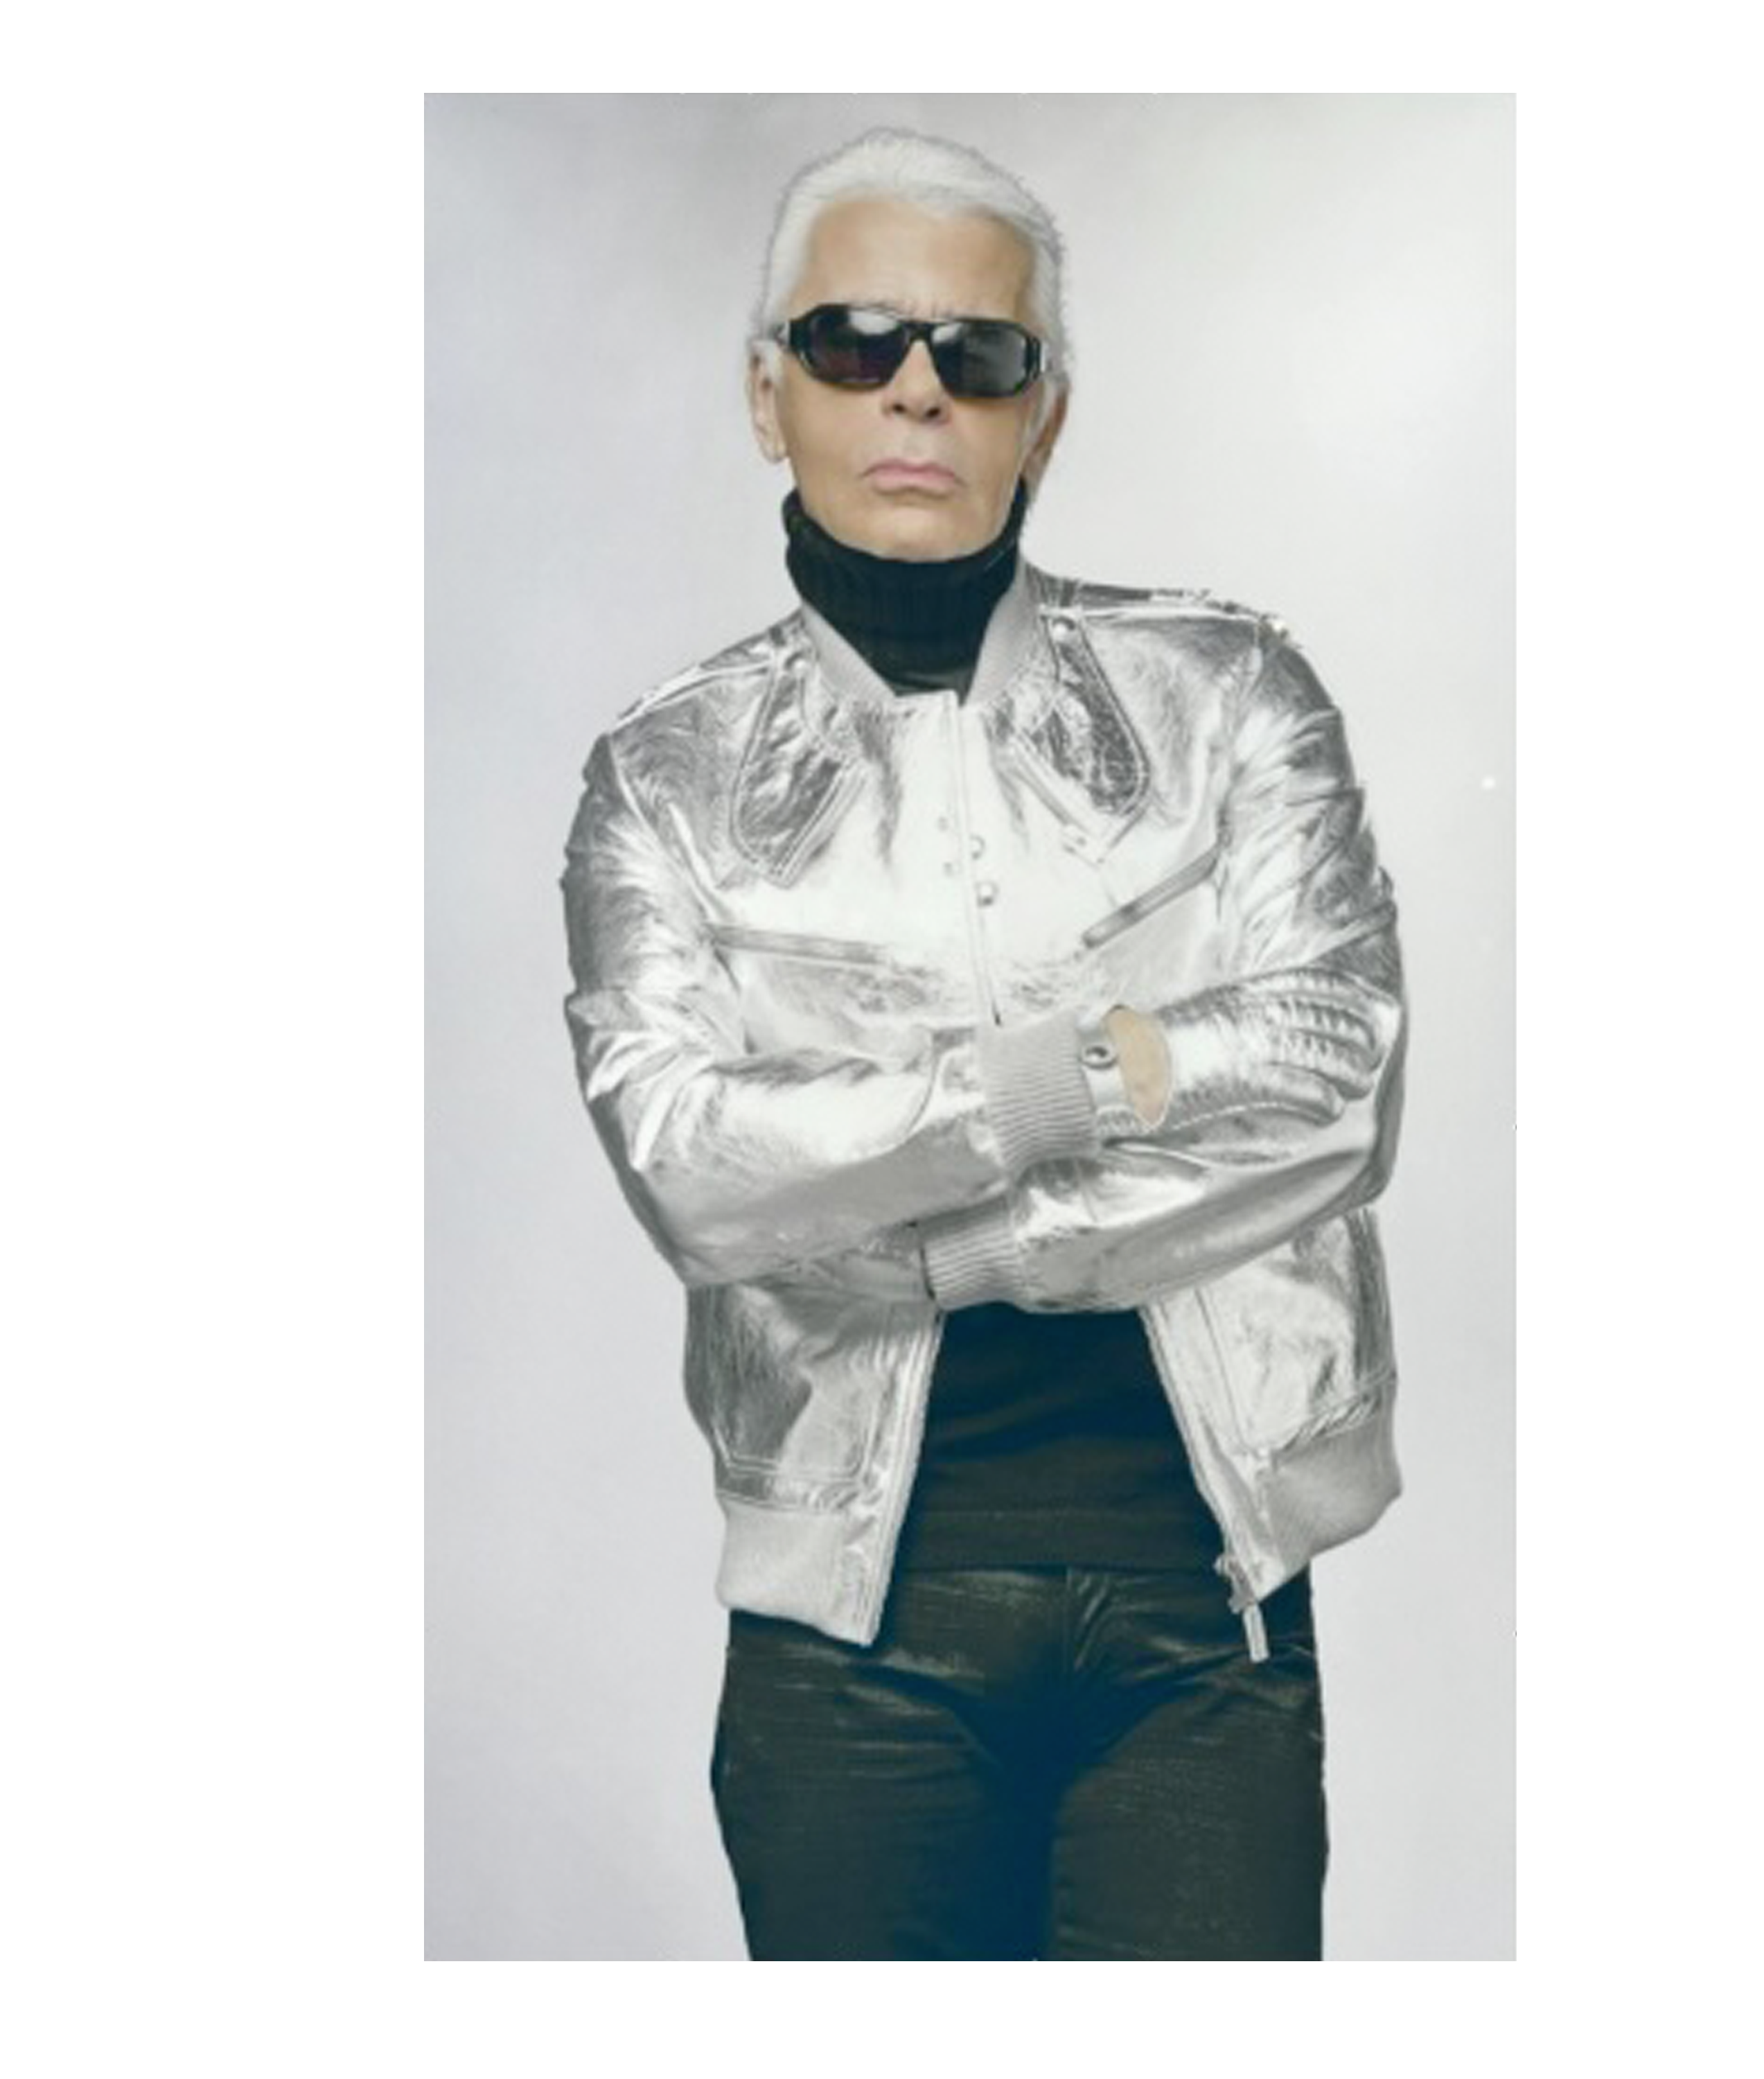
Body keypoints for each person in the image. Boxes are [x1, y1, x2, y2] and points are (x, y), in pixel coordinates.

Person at [561, 128, 1406, 1961]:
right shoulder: (665, 778)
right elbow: (697, 1171)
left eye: (980, 353)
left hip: (1206, 1620)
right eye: (855, 341)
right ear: (769, 394)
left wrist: (951, 1227)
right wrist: (1121, 1070)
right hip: (846, 1649)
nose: (917, 391)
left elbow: (1336, 1069)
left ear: (1048, 415)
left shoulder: (1229, 693)